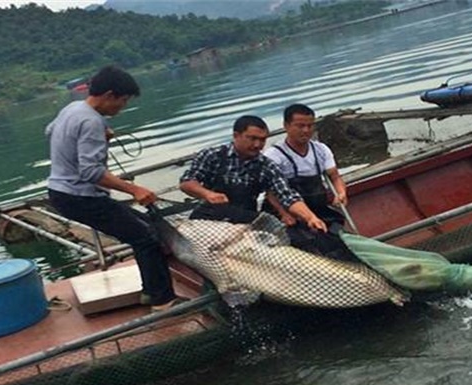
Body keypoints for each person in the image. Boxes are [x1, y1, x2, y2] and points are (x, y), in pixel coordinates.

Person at [46, 65, 182, 312]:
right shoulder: (90, 121)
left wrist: (98, 137)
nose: (123, 106)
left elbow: (50, 131)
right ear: (109, 95)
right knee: (147, 238)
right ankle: (162, 301)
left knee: (148, 227)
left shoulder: (73, 109)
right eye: (123, 100)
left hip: (60, 192)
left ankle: (151, 290)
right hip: (80, 197)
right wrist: (134, 189)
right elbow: (91, 172)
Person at [179, 115, 327, 232]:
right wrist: (207, 194)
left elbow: (287, 195)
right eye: (252, 139)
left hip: (245, 221)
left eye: (262, 140)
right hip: (209, 219)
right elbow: (187, 182)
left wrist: (310, 217)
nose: (257, 145)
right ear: (236, 135)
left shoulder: (266, 165)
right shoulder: (213, 155)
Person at [262, 104, 356, 260]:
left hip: (317, 207)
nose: (305, 130)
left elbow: (335, 177)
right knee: (303, 242)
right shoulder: (274, 156)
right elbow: (271, 193)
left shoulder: (321, 150)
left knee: (336, 235)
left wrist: (341, 193)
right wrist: (284, 214)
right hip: (286, 213)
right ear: (286, 126)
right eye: (300, 126)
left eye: (309, 126)